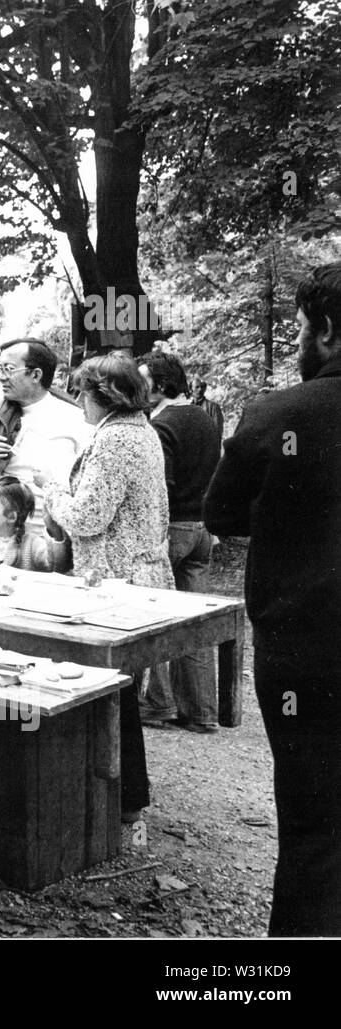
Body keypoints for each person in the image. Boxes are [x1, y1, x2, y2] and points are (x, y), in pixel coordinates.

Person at [204, 262, 341, 936]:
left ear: (327, 328)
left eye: (300, 331)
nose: (298, 346)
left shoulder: (281, 413)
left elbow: (222, 512)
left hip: (309, 653)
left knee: (314, 826)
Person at [43, 352, 172, 824]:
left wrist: (52, 490)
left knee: (109, 691)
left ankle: (120, 799)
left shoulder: (117, 439)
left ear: (106, 396)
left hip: (116, 581)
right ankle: (124, 796)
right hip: (133, 574)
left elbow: (88, 516)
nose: (78, 401)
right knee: (119, 694)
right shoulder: (141, 430)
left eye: (81, 392)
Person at [137, 352, 222, 733]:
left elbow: (162, 489)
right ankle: (202, 712)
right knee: (197, 626)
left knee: (157, 618)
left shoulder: (161, 425)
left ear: (161, 384)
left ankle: (158, 704)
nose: (139, 389)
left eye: (143, 381)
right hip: (203, 530)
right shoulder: (206, 420)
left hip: (172, 530)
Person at [0, 338, 89, 536]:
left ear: (36, 374)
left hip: (58, 540)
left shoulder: (75, 419)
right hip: (9, 540)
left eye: (9, 369)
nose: (1, 377)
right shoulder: (3, 420)